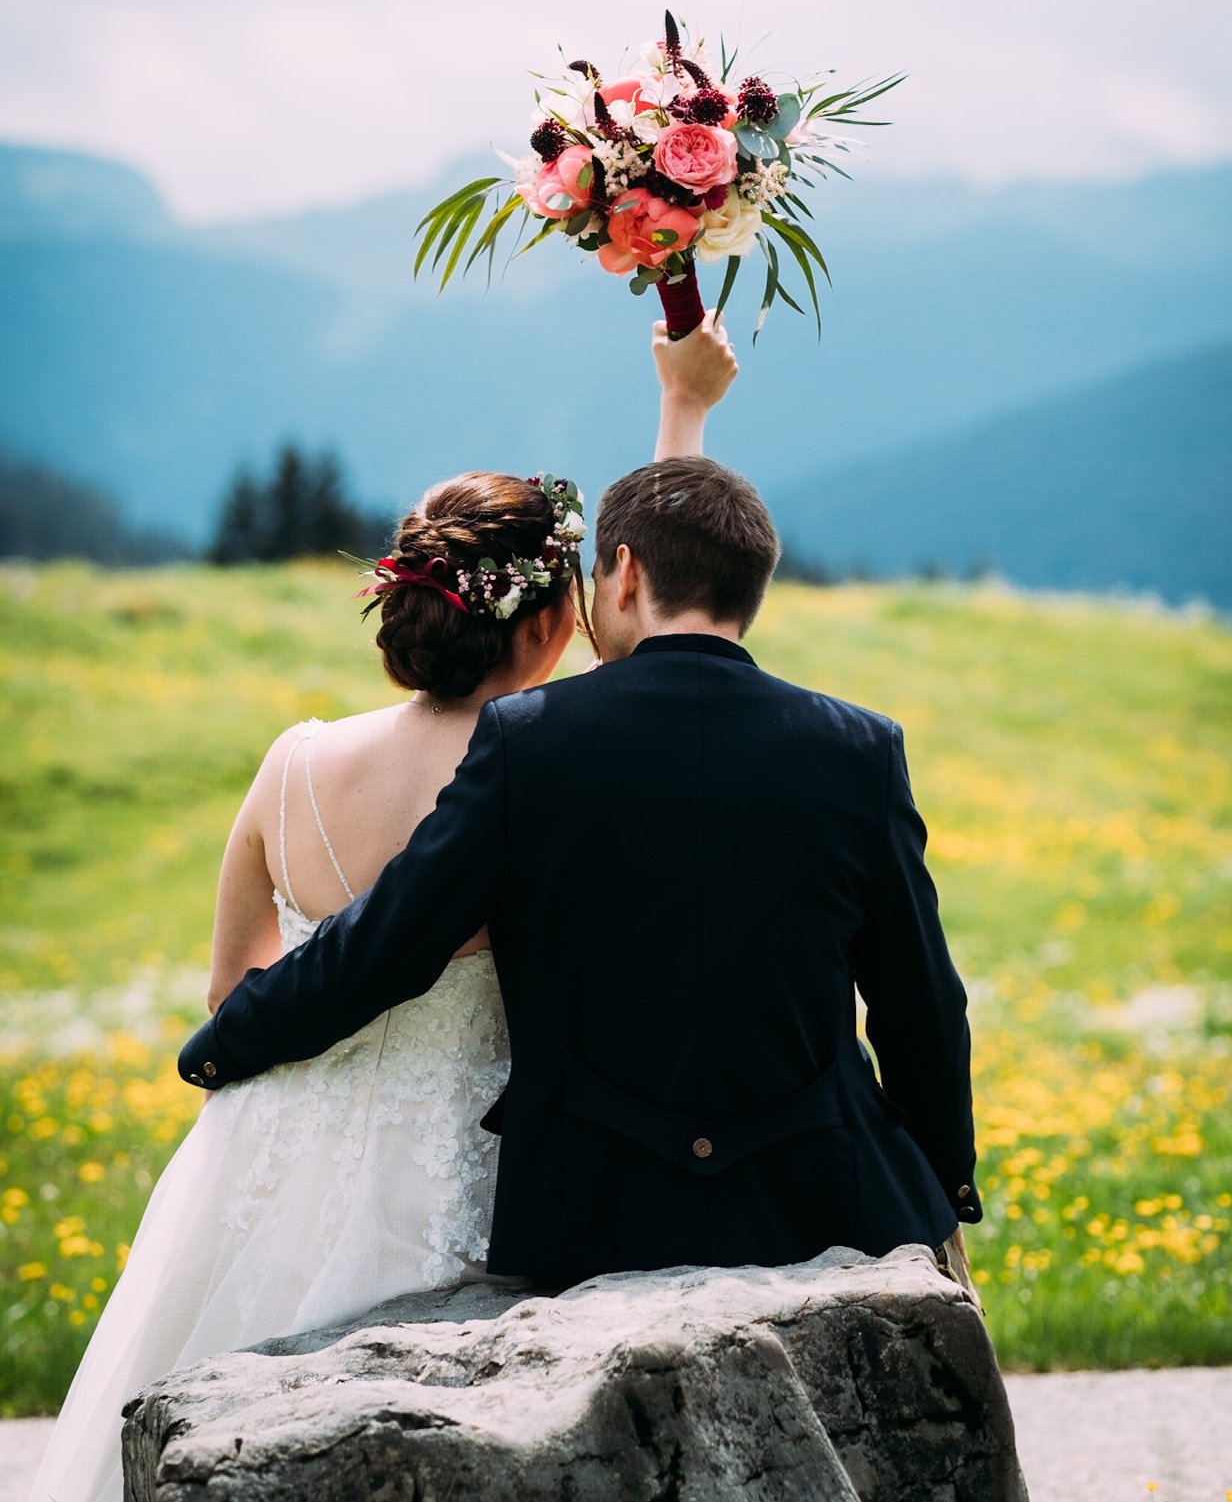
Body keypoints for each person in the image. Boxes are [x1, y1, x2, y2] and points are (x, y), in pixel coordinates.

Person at [29, 317, 738, 1502]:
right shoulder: (550, 764)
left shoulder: (293, 762)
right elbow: (652, 648)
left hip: (264, 1160)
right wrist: (684, 409)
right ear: (544, 624)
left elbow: (231, 992)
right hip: (468, 1172)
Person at [178, 363, 984, 1295]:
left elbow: (386, 945)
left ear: (627, 572)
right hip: (822, 1200)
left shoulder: (528, 741)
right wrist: (942, 1178)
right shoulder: (861, 748)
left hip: (593, 1214)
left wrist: (223, 1042)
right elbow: (921, 1002)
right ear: (750, 587)